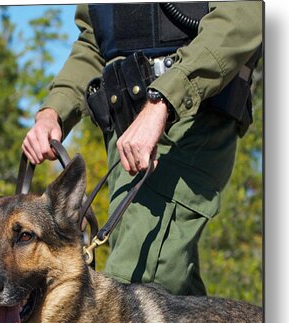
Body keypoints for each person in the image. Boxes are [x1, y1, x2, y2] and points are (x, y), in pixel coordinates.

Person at [22, 2, 262, 296]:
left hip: (187, 121)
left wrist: (165, 100)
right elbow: (93, 41)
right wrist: (54, 111)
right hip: (123, 131)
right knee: (171, 299)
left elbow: (242, 18)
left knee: (133, 294)